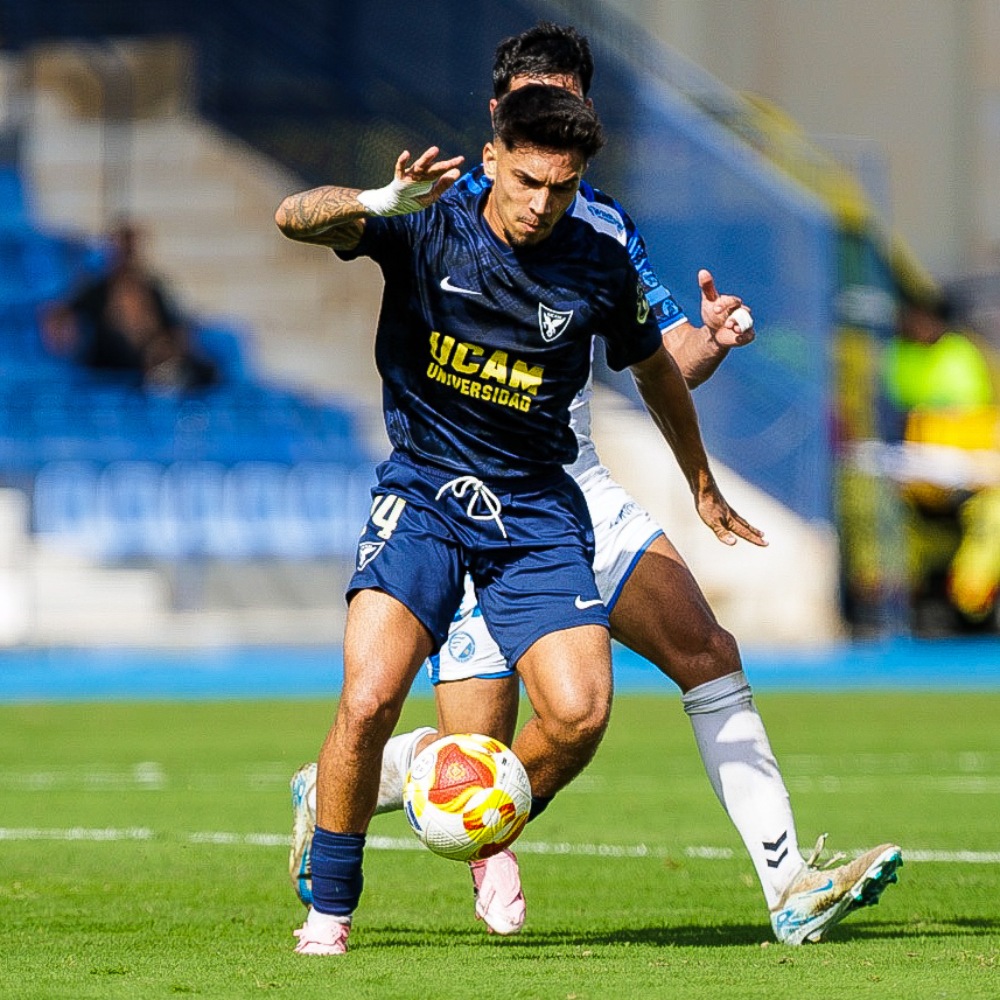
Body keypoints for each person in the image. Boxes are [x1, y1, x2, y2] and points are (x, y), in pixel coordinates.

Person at [287, 22, 902, 948]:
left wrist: (714, 343)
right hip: (443, 485)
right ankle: (381, 786)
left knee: (693, 651)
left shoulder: (604, 236)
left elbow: (655, 364)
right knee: (451, 736)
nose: (545, 190)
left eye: (573, 109)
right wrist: (379, 196)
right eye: (539, 111)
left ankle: (790, 886)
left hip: (562, 486)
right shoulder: (431, 213)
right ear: (497, 126)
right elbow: (303, 217)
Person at [882, 291, 1000, 630]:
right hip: (915, 474)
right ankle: (887, 594)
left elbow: (970, 421)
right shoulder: (897, 354)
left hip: (965, 474)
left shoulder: (961, 355)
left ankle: (971, 600)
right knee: (879, 510)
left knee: (992, 516)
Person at [41, 221, 218, 392]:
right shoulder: (97, 289)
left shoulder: (152, 288)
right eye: (122, 250)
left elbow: (175, 326)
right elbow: (60, 315)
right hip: (112, 360)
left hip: (155, 355)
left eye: (131, 250)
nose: (128, 256)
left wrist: (167, 345)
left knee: (203, 369)